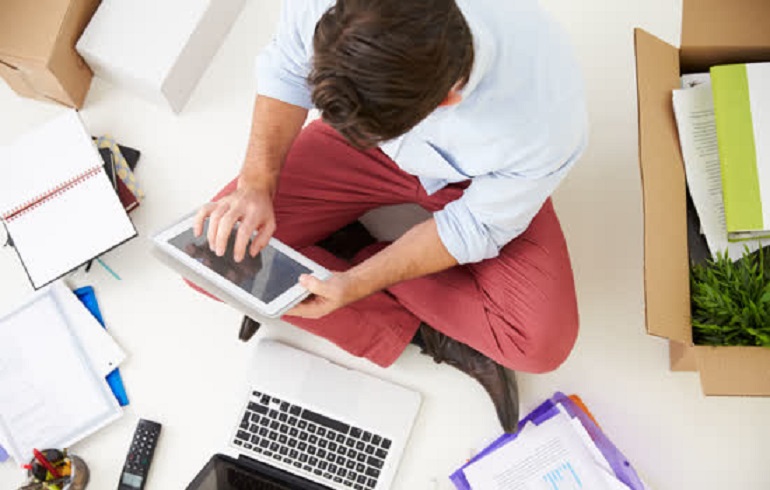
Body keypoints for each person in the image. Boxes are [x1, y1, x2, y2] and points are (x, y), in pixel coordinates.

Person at [192, 0, 587, 433]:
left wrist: (359, 280)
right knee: (209, 256)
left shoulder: (543, 116)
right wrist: (255, 185)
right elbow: (287, 65)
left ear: (447, 99)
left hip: (476, 185)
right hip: (362, 139)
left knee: (539, 344)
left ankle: (348, 256)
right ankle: (411, 325)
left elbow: (473, 226)